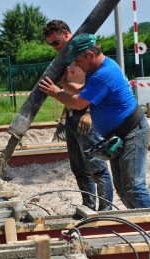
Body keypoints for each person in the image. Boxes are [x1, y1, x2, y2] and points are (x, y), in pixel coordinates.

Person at [39, 33, 150, 209]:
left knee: (134, 188)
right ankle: (142, 223)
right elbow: (81, 92)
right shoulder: (97, 71)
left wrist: (55, 92)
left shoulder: (103, 74)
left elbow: (78, 103)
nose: (76, 65)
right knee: (123, 189)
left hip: (132, 132)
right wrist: (63, 83)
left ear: (90, 55)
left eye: (78, 60)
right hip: (120, 134)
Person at [42, 20, 113, 211]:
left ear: (66, 34)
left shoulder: (84, 55)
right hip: (74, 112)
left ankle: (106, 209)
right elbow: (74, 91)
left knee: (95, 165)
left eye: (56, 42)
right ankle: (88, 205)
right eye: (50, 45)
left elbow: (93, 89)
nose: (54, 48)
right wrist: (65, 116)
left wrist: (89, 113)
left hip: (86, 114)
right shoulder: (66, 59)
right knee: (78, 167)